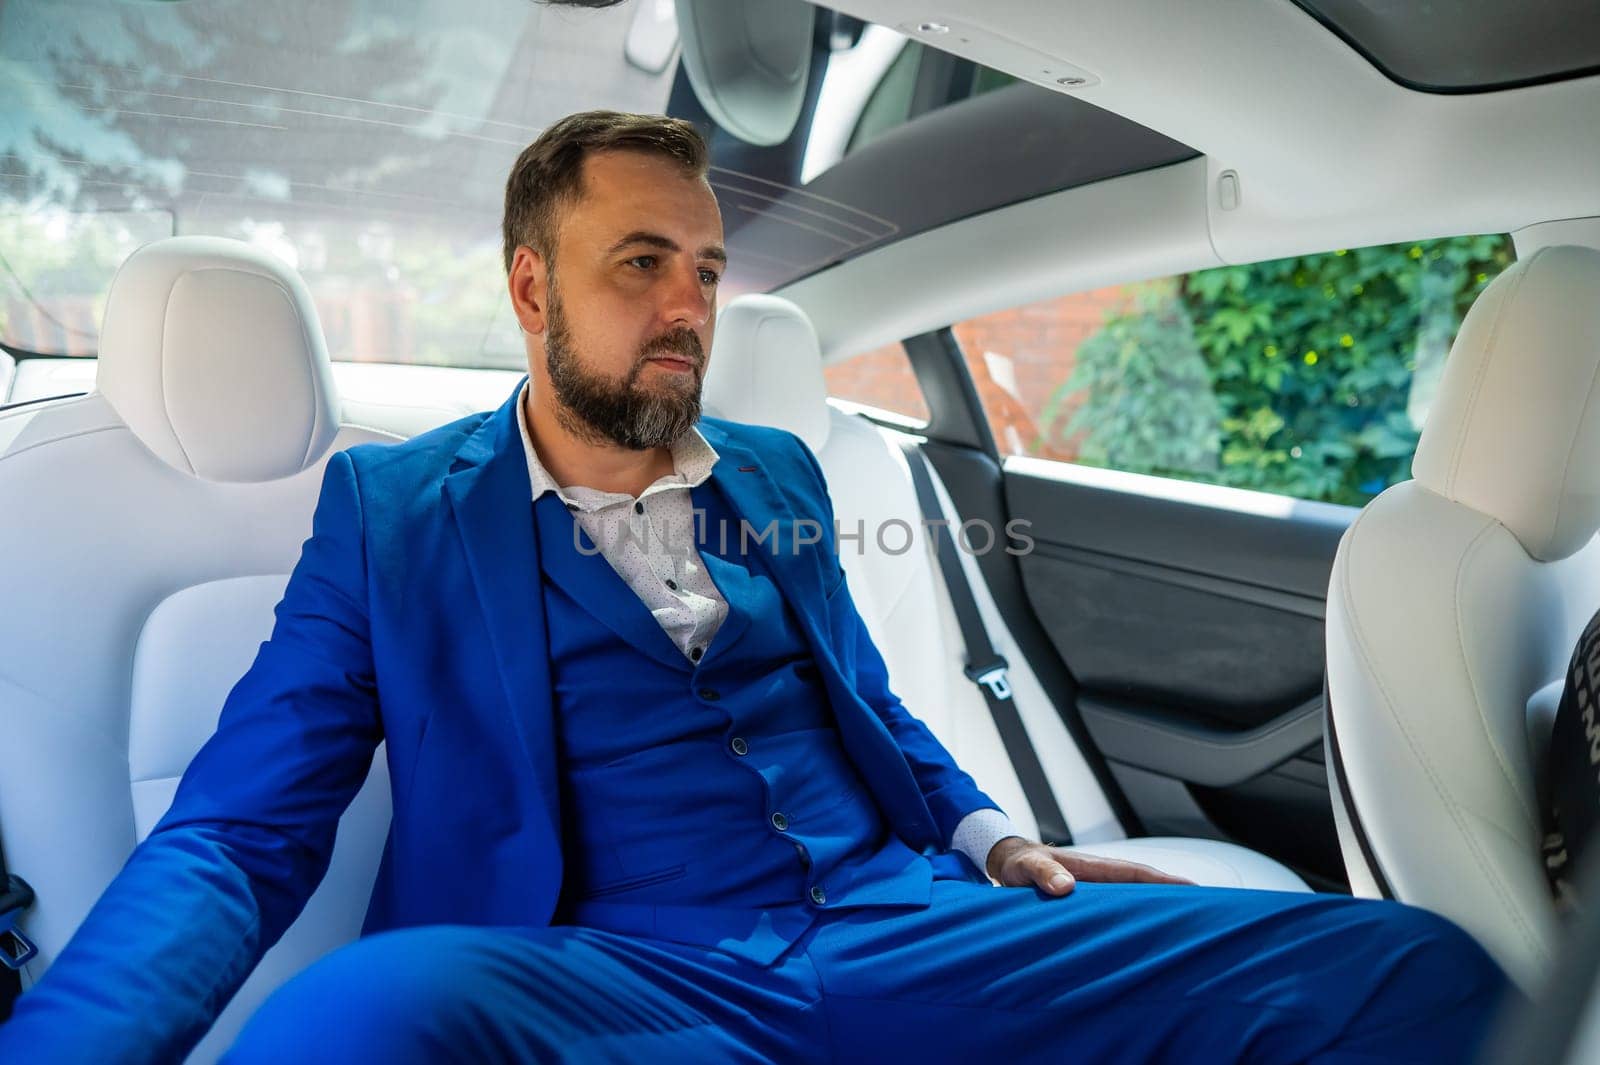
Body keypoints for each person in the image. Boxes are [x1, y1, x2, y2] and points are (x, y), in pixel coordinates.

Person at [0, 111, 1510, 1064]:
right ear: (530, 289)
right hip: (609, 968)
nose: (685, 308)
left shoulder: (780, 472)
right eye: (639, 264)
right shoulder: (394, 513)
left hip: (901, 922)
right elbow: (234, 830)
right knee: (352, 1018)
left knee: (1411, 969)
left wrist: (995, 838)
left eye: (708, 271)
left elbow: (868, 702)